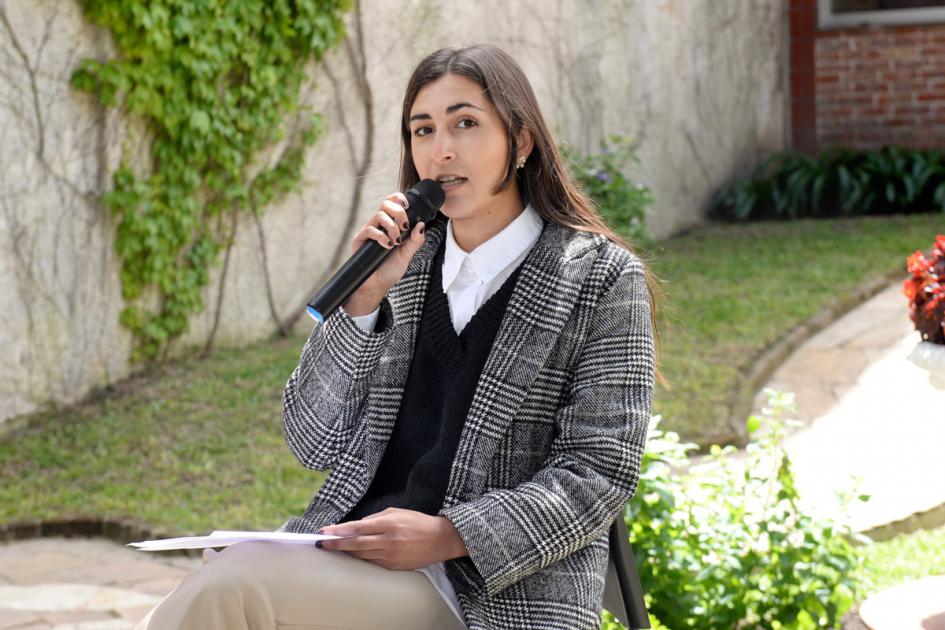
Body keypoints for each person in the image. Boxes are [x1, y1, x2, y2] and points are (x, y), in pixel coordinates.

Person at [136, 43, 657, 630]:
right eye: (422, 130)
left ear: (521, 141)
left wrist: (449, 535)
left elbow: (598, 471)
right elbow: (312, 442)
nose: (442, 150)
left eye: (466, 123)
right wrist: (361, 303)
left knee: (232, 591)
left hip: (488, 593)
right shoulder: (403, 266)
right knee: (225, 581)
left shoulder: (599, 278)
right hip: (354, 556)